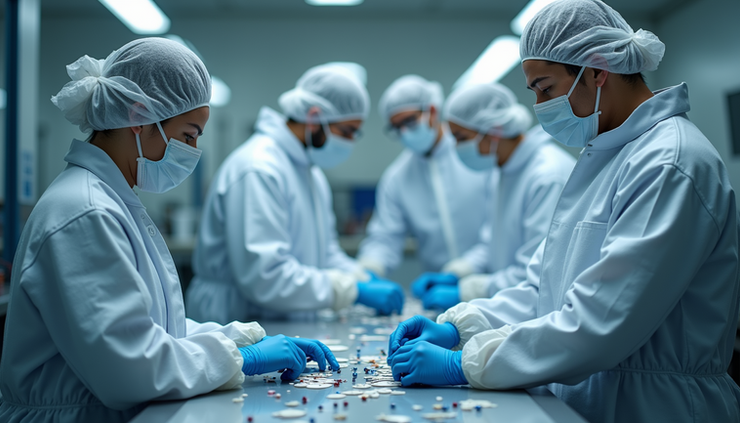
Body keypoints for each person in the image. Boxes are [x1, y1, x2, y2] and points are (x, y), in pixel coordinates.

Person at [386, 1, 740, 422]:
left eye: (545, 88)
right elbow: (545, 288)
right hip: (595, 392)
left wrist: (463, 364)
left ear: (596, 70)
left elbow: (601, 323)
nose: (537, 106)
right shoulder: (606, 155)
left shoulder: (669, 163)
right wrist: (461, 328)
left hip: (657, 405)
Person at [0, 38, 339, 423]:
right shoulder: (85, 212)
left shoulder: (111, 198)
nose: (193, 150)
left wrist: (240, 338)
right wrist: (241, 359)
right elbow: (129, 368)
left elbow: (156, 330)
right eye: (189, 135)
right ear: (140, 117)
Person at [186, 63, 404, 324]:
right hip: (234, 318)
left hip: (284, 317)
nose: (351, 142)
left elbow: (326, 254)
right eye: (346, 131)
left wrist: (361, 276)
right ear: (314, 118)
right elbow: (266, 275)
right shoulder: (259, 168)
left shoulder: (311, 174)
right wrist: (351, 291)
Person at [411, 82, 575, 310]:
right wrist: (459, 271)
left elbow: (538, 271)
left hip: (540, 310)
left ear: (495, 131)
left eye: (461, 137)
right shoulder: (503, 171)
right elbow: (490, 245)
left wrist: (470, 290)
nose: (454, 146)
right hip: (512, 305)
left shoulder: (547, 176)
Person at [356, 75, 489, 280]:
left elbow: (498, 228)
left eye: (409, 121)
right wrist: (370, 270)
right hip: (439, 289)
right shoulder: (398, 177)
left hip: (492, 282)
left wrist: (464, 270)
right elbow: (385, 237)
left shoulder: (476, 154)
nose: (404, 132)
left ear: (432, 111)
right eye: (396, 127)